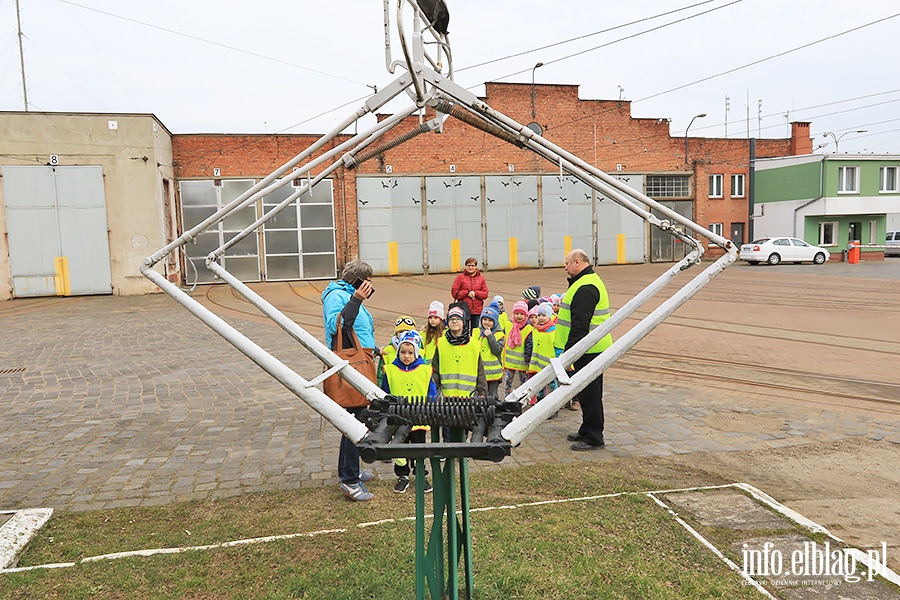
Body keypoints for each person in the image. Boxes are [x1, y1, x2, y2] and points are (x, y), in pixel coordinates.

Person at [322, 260, 379, 501]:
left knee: (357, 419)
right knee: (353, 422)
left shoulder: (347, 294)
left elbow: (357, 331)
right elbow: (339, 327)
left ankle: (351, 469)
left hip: (360, 360)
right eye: (367, 281)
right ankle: (349, 479)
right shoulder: (338, 296)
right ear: (358, 281)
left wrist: (374, 349)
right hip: (350, 366)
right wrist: (356, 300)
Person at [555, 249, 613, 451]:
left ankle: (594, 436)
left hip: (589, 349)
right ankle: (587, 429)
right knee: (586, 393)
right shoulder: (585, 282)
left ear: (577, 262)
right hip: (590, 347)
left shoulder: (586, 286)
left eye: (567, 263)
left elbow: (580, 325)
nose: (565, 267)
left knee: (590, 394)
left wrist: (570, 354)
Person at [381, 330, 436, 494]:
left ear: (416, 353)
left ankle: (421, 474)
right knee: (399, 449)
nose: (406, 356)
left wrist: (430, 411)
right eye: (403, 352)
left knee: (419, 447)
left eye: (410, 352)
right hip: (398, 419)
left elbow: (431, 393)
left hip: (418, 418)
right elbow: (385, 392)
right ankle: (402, 476)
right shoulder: (390, 370)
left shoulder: (425, 370)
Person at [503, 300, 532, 398]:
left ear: (526, 315)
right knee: (508, 381)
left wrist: (528, 359)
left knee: (524, 382)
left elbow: (529, 346)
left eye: (521, 314)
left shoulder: (528, 329)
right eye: (517, 313)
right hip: (510, 362)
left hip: (522, 362)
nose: (519, 316)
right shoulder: (508, 325)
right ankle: (506, 397)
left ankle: (522, 397)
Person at [475, 302, 505, 399]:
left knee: (492, 396)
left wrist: (490, 336)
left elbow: (496, 350)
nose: (487, 322)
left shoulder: (499, 335)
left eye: (490, 320)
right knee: (480, 395)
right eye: (485, 319)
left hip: (493, 374)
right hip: (480, 373)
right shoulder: (476, 333)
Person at [451, 258, 489, 332]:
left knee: (475, 330)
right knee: (464, 330)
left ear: (476, 267)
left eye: (472, 265)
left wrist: (475, 293)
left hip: (477, 310)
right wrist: (467, 293)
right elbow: (454, 293)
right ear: (465, 266)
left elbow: (485, 294)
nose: (470, 267)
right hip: (463, 309)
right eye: (469, 265)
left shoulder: (481, 278)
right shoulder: (460, 278)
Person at [421, 301, 445, 365]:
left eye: (435, 317)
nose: (432, 320)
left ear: (441, 319)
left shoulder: (445, 333)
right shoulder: (423, 334)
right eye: (430, 318)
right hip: (426, 367)